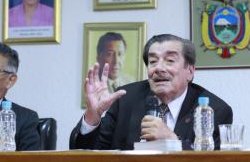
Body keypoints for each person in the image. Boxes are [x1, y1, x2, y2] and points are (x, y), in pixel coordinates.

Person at [70, 34, 233, 150]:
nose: (159, 68)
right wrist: (93, 116)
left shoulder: (216, 110)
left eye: (170, 60)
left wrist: (173, 142)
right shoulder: (125, 99)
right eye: (153, 61)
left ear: (190, 71)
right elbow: (86, 153)